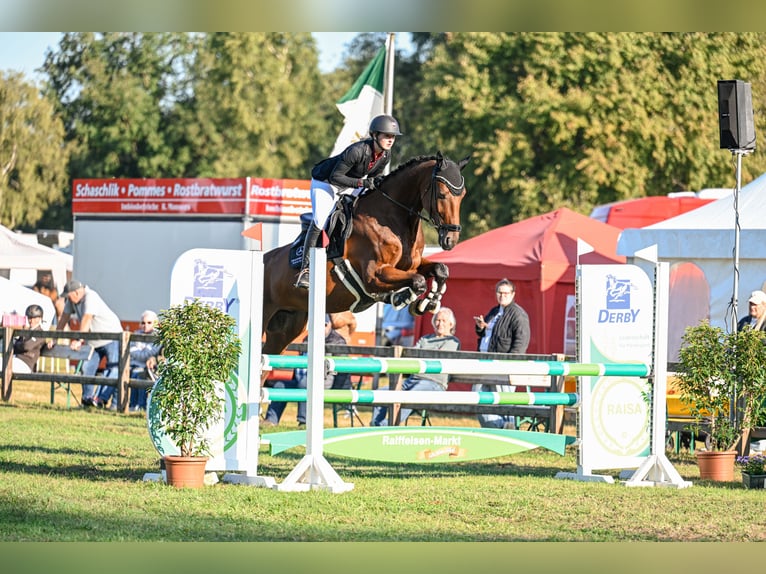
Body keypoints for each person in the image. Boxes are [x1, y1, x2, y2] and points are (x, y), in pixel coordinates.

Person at [294, 114, 403, 289]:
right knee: (320, 220)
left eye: (393, 137)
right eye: (386, 136)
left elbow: (375, 180)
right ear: (375, 135)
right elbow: (336, 176)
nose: (391, 140)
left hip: (349, 183)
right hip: (326, 182)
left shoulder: (385, 155)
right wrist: (362, 183)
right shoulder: (357, 150)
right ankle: (304, 269)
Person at [371, 307, 460, 427]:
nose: (440, 324)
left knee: (409, 396)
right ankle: (376, 425)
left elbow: (440, 358)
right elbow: (412, 354)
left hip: (433, 383)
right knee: (380, 393)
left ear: (451, 324)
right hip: (412, 380)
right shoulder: (425, 339)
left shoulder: (452, 341)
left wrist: (423, 356)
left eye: (444, 321)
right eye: (438, 320)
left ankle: (389, 426)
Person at [263, 315, 351, 427]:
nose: (320, 328)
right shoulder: (308, 339)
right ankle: (271, 420)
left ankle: (304, 421)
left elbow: (341, 370)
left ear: (330, 325)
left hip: (325, 381)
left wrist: (339, 389)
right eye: (318, 325)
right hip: (302, 379)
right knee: (280, 385)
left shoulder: (338, 341)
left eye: (324, 325)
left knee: (306, 384)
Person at [56, 279, 124, 408]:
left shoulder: (90, 296)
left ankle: (100, 399)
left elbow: (87, 318)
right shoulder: (73, 300)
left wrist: (79, 340)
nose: (67, 299)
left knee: (113, 369)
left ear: (76, 292)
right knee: (87, 368)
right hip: (93, 341)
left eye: (68, 296)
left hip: (111, 337)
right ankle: (87, 401)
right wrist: (54, 338)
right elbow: (64, 317)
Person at [473, 279, 531, 429]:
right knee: (478, 397)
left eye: (506, 293)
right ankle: (499, 428)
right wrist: (481, 327)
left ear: (513, 294)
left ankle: (507, 431)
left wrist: (510, 364)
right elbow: (486, 335)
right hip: (484, 361)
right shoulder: (494, 311)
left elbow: (521, 343)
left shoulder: (518, 314)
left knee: (504, 401)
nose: (502, 295)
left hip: (504, 365)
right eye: (499, 292)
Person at [128, 310, 162, 412]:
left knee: (139, 375)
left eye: (149, 322)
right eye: (143, 323)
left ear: (155, 323)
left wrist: (140, 353)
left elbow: (151, 353)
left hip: (151, 368)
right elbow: (132, 350)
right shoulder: (136, 334)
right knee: (133, 374)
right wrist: (142, 353)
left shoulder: (158, 337)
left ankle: (140, 405)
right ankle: (133, 405)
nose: (145, 325)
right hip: (135, 365)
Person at [11, 304, 54, 374]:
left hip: (26, 364)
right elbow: (17, 346)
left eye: (34, 318)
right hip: (16, 360)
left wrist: (17, 345)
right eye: (29, 318)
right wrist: (19, 345)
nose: (31, 320)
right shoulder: (26, 331)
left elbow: (26, 346)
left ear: (40, 318)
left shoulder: (41, 333)